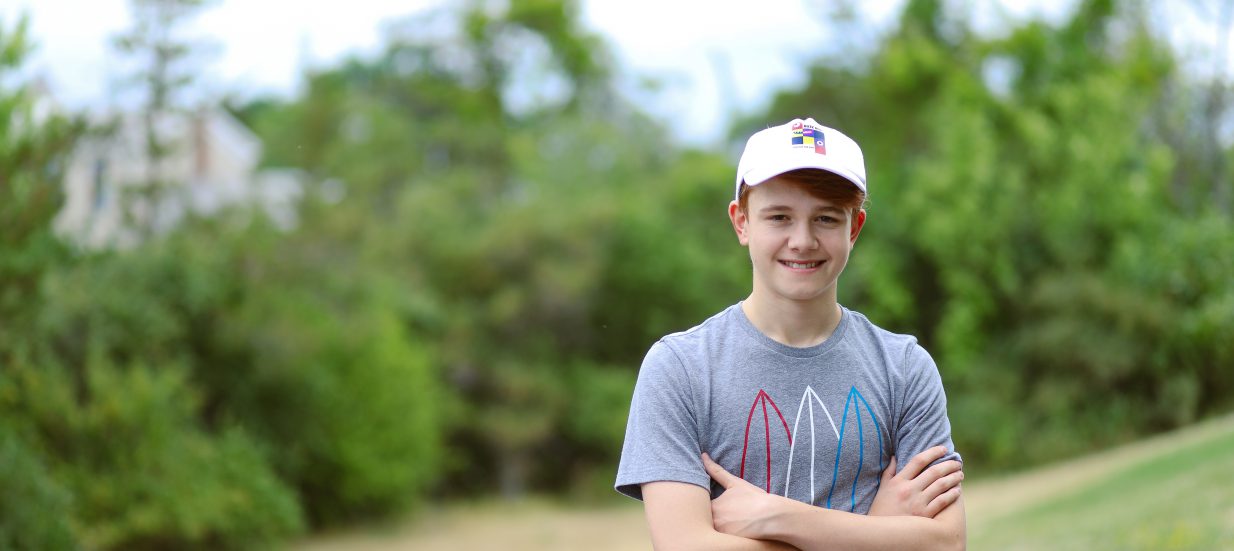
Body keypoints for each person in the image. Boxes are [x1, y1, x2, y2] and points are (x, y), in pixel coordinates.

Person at [614, 117, 966, 550]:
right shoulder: (680, 368)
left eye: (825, 218)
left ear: (854, 228)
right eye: (779, 217)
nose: (802, 240)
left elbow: (945, 544)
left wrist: (777, 517)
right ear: (741, 222)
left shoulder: (905, 367)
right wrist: (877, 530)